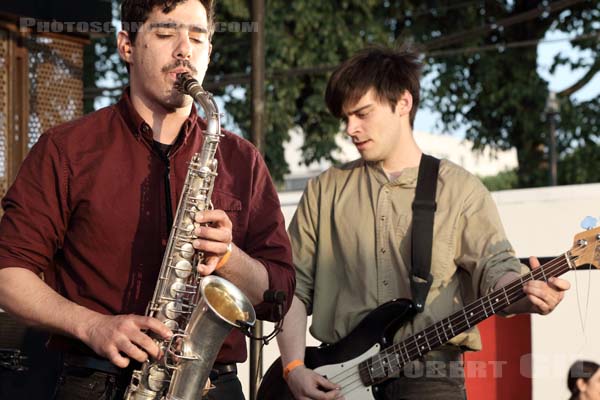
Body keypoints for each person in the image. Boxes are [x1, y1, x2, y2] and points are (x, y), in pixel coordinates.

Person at [0, 0, 294, 399]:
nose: (184, 49)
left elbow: (279, 295)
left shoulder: (242, 160)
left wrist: (229, 258)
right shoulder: (66, 150)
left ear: (210, 51)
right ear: (126, 46)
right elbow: (7, 274)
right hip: (98, 382)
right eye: (164, 32)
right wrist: (92, 326)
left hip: (215, 385)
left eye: (197, 37)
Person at [275, 46, 570, 400]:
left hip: (430, 376)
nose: (351, 129)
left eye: (363, 114)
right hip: (336, 379)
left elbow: (495, 269)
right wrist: (293, 368)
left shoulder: (461, 189)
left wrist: (528, 294)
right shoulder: (324, 189)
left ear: (403, 103)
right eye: (346, 118)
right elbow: (291, 287)